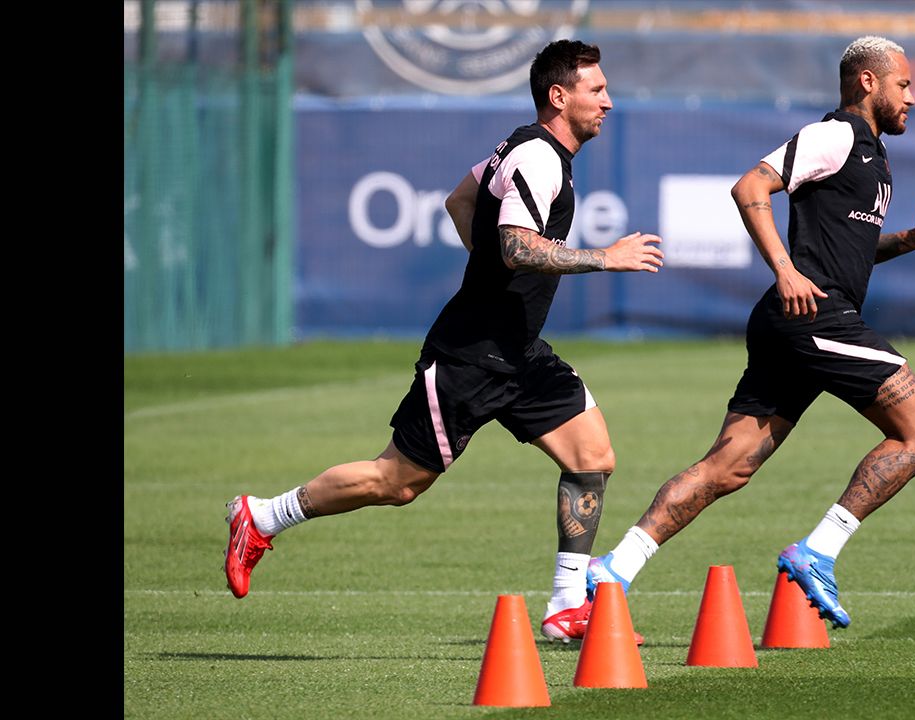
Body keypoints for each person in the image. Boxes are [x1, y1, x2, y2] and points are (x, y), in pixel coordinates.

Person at [224, 39, 663, 645]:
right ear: (559, 97)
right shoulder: (537, 157)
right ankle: (262, 516)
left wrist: (488, 276)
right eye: (597, 90)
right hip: (470, 354)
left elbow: (460, 200)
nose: (608, 102)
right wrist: (604, 259)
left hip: (518, 349)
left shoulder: (525, 148)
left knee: (592, 459)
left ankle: (567, 606)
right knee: (398, 482)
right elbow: (515, 246)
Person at [584, 36, 915, 629]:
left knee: (727, 467)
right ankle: (818, 551)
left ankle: (614, 569)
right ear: (868, 81)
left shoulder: (875, 156)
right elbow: (748, 187)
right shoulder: (834, 135)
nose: (912, 97)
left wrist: (913, 240)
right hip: (813, 316)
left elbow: (850, 255)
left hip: (799, 322)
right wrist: (784, 270)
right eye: (904, 85)